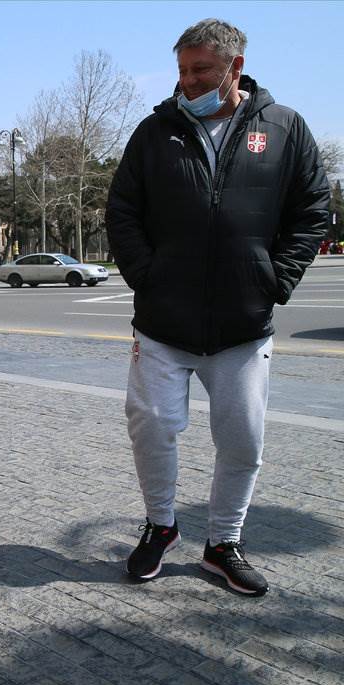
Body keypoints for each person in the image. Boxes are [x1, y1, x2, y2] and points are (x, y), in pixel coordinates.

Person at [106, 18, 329, 596]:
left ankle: (224, 543)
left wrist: (275, 279)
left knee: (243, 439)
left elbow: (312, 209)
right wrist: (147, 278)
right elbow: (122, 210)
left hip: (243, 324)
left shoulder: (283, 127)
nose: (187, 82)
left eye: (200, 70)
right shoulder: (155, 132)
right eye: (181, 70)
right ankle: (161, 525)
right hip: (163, 321)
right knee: (152, 426)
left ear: (236, 65)